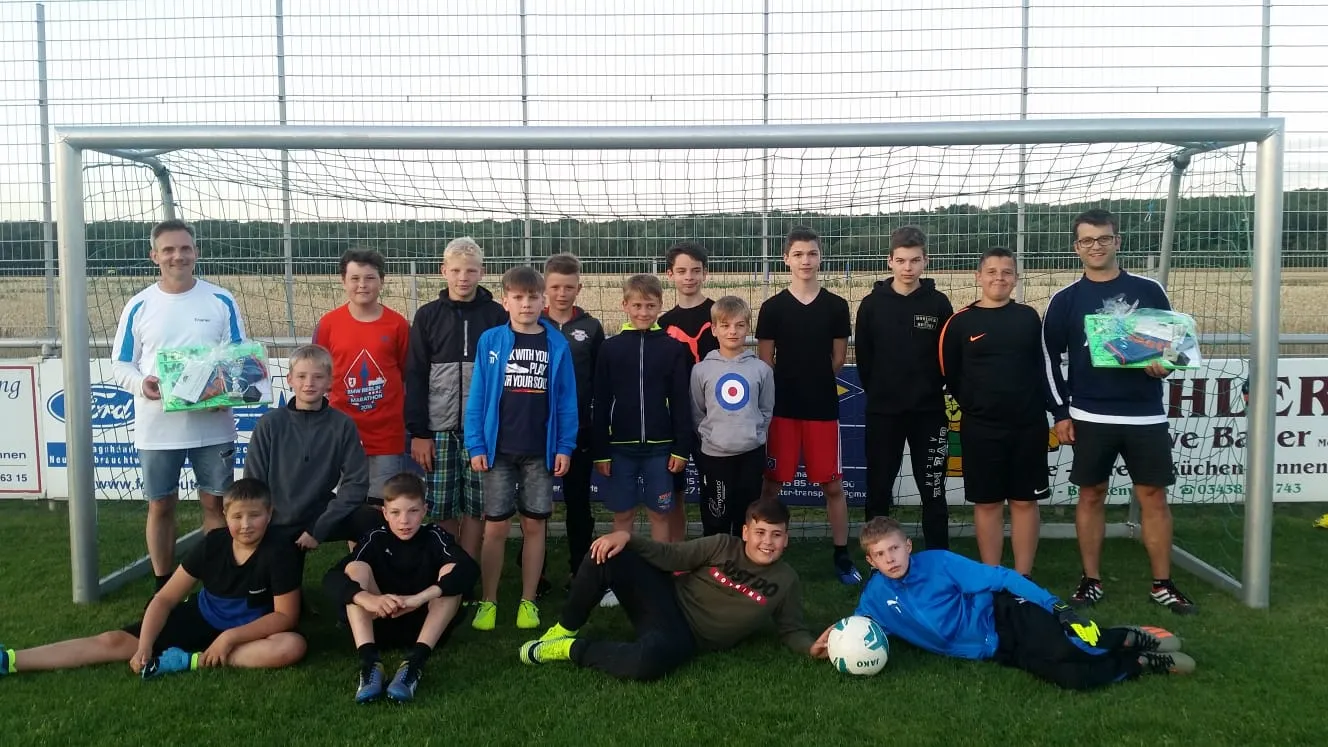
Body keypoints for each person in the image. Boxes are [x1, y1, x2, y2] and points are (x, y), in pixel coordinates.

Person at [828, 517, 1194, 690]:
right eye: (880, 554)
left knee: (1073, 646)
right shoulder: (875, 597)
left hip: (1006, 615)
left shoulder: (938, 563)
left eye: (894, 548)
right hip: (997, 649)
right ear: (871, 561)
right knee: (1072, 678)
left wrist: (1056, 606)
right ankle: (1141, 662)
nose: (890, 558)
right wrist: (829, 641)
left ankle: (1128, 636)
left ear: (908, 546)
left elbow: (1002, 577)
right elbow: (858, 628)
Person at [1042, 208, 1197, 614]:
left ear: (1117, 241)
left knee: (1153, 496)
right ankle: (1090, 580)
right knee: (1091, 493)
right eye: (1088, 240)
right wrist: (1060, 412)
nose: (1096, 246)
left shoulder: (1149, 290)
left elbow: (1174, 346)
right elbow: (1047, 358)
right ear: (1076, 248)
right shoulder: (1065, 300)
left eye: (1104, 238)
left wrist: (1166, 365)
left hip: (1145, 414)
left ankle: (1162, 584)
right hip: (1090, 415)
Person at [0, 478, 306, 679]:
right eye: (237, 516)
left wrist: (229, 638)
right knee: (112, 641)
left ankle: (187, 661)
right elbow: (165, 598)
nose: (246, 524)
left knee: (291, 646)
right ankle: (11, 660)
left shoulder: (280, 550)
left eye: (255, 515)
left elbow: (285, 616)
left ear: (270, 514)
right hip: (202, 617)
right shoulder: (213, 545)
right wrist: (145, 645)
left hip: (248, 631)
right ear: (225, 516)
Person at [517, 498, 824, 680]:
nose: (767, 542)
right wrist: (626, 537)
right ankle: (562, 630)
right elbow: (671, 556)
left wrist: (810, 647)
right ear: (745, 532)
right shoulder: (722, 545)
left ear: (786, 539)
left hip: (686, 636)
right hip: (664, 599)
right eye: (760, 532)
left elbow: (792, 629)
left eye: (776, 535)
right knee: (606, 553)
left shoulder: (786, 580)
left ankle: (569, 649)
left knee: (645, 663)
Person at [110, 218, 245, 592]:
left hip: (213, 426)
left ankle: (217, 582)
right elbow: (120, 364)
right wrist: (142, 384)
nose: (177, 256)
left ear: (196, 252)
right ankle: (163, 585)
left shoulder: (221, 299)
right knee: (161, 504)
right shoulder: (139, 305)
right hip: (157, 427)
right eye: (168, 250)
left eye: (185, 248)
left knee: (215, 505)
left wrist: (226, 395)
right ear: (154, 256)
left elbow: (238, 360)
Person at [465, 266, 579, 632]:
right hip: (498, 451)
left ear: (543, 300)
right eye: (518, 297)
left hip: (539, 452)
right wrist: (475, 443)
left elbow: (566, 401)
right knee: (496, 528)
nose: (526, 304)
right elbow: (478, 396)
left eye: (532, 297)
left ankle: (528, 600)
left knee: (534, 525)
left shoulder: (556, 344)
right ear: (505, 301)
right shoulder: (491, 341)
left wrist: (564, 446)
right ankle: (489, 600)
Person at [939, 247, 1055, 576]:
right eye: (991, 271)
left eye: (1006, 272)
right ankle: (992, 576)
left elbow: (1042, 367)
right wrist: (977, 405)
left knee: (1024, 501)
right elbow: (950, 373)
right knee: (988, 502)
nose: (999, 278)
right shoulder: (960, 322)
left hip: (1028, 426)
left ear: (1016, 278)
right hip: (981, 429)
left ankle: (1023, 577)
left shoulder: (1029, 318)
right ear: (978, 276)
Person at [756, 225, 858, 584]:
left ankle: (841, 555)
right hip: (782, 411)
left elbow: (838, 359)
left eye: (812, 253)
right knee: (772, 486)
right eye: (798, 254)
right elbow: (765, 361)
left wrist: (813, 383)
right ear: (786, 259)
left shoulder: (836, 306)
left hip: (822, 410)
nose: (805, 260)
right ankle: (764, 550)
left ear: (820, 257)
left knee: (832, 486)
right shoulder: (772, 308)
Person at [322, 473, 478, 704]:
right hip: (380, 621)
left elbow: (470, 569)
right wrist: (368, 599)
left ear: (424, 510)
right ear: (385, 513)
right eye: (395, 512)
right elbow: (331, 578)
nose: (404, 521)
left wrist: (420, 598)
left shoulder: (435, 536)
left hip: (424, 624)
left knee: (452, 571)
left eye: (412, 511)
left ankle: (414, 664)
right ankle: (369, 662)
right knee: (355, 569)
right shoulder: (375, 538)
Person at [404, 237, 508, 564]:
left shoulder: (497, 315)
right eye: (456, 270)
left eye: (471, 271)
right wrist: (419, 432)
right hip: (438, 430)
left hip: (482, 431)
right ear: (443, 271)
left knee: (478, 505)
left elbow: (505, 375)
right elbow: (415, 375)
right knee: (443, 504)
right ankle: (449, 564)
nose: (463, 277)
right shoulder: (427, 316)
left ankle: (467, 565)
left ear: (482, 272)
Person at [854, 224, 954, 551]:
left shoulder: (939, 304)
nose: (907, 268)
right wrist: (883, 392)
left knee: (933, 489)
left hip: (929, 412)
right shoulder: (871, 304)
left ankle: (938, 557)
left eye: (914, 260)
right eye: (901, 260)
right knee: (879, 488)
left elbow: (948, 355)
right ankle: (877, 556)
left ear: (925, 261)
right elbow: (865, 359)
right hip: (884, 412)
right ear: (890, 261)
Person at [243, 344, 377, 560]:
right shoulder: (269, 424)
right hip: (278, 519)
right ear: (289, 380)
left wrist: (318, 528)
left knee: (371, 519)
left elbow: (356, 483)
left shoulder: (342, 425)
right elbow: (253, 483)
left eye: (318, 377)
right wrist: (265, 521)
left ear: (329, 382)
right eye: (301, 376)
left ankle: (357, 572)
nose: (309, 383)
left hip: (320, 513)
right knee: (279, 580)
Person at [591, 274, 693, 549]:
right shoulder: (610, 348)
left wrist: (681, 448)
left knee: (660, 514)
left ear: (660, 304)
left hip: (661, 449)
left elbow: (681, 402)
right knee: (623, 514)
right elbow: (601, 401)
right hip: (619, 449)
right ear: (624, 305)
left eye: (650, 305)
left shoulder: (672, 348)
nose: (643, 312)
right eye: (637, 305)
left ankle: (661, 570)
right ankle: (623, 570)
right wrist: (601, 451)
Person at [313, 248, 414, 500]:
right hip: (343, 433)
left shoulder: (397, 325)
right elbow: (318, 372)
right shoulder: (328, 324)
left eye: (370, 278)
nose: (362, 285)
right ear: (343, 281)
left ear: (382, 281)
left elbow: (406, 373)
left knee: (383, 503)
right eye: (355, 278)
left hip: (386, 434)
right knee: (348, 503)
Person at [541, 253, 605, 590]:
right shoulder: (531, 322)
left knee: (577, 502)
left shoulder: (591, 327)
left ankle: (579, 570)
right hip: (537, 428)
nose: (561, 293)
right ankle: (534, 573)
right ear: (545, 287)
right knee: (535, 504)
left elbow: (600, 378)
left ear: (579, 288)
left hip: (579, 429)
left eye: (568, 287)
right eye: (555, 287)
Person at [690, 296, 774, 537]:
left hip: (750, 454)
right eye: (725, 325)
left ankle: (743, 556)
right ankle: (714, 557)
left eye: (739, 325)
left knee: (745, 516)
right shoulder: (701, 370)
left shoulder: (761, 369)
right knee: (716, 515)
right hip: (715, 456)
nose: (733, 331)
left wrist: (754, 434)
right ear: (714, 329)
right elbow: (697, 412)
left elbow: (766, 409)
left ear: (748, 328)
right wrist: (712, 437)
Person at [660, 240, 720, 541]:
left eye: (695, 270)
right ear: (670, 274)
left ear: (705, 273)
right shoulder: (663, 323)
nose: (689, 277)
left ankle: (715, 546)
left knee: (714, 487)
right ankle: (677, 551)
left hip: (715, 416)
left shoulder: (719, 315)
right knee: (675, 487)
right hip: (676, 417)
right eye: (682, 271)